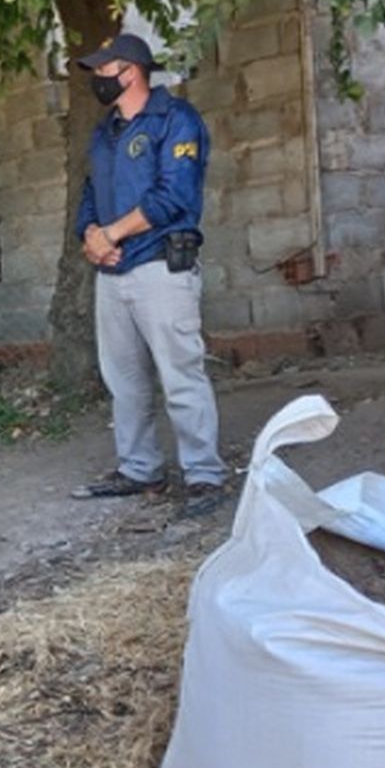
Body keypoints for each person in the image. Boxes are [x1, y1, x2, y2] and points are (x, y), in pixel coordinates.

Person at [70, 31, 227, 520]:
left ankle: (203, 474)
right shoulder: (105, 131)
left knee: (181, 374)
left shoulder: (176, 121)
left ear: (130, 71)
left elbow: (173, 195)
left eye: (103, 69)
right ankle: (140, 470)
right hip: (114, 271)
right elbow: (90, 195)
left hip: (161, 264)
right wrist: (92, 238)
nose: (97, 78)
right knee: (124, 379)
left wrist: (112, 234)